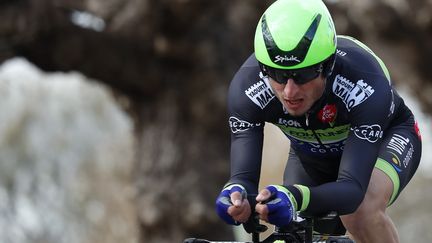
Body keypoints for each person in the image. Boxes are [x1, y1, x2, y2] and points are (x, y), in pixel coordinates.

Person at [215, 0, 422, 242]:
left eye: (302, 75)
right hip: (312, 154)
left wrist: (295, 196)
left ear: (327, 66)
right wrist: (236, 197)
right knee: (291, 232)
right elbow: (243, 178)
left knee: (360, 212)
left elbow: (352, 190)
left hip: (386, 139)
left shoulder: (363, 83)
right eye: (278, 75)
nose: (289, 92)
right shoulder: (247, 89)